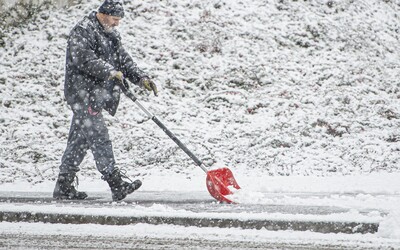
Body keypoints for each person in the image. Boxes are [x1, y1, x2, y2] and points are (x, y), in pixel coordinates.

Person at [53, 0, 158, 201]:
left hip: (95, 95)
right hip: (82, 93)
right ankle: (116, 183)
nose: (117, 23)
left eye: (119, 20)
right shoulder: (83, 31)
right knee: (99, 137)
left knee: (79, 140)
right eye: (115, 19)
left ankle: (63, 185)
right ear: (103, 14)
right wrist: (109, 71)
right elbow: (83, 59)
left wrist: (141, 78)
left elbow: (123, 60)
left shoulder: (109, 33)